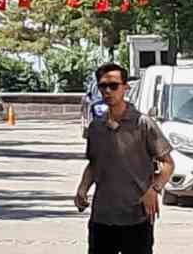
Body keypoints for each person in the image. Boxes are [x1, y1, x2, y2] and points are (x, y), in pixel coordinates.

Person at [74, 62, 173, 254]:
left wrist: (154, 189)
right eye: (103, 86)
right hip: (102, 218)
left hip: (136, 218)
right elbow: (94, 164)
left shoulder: (143, 124)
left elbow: (168, 163)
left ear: (125, 87)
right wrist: (82, 188)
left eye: (114, 86)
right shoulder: (96, 127)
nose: (108, 91)